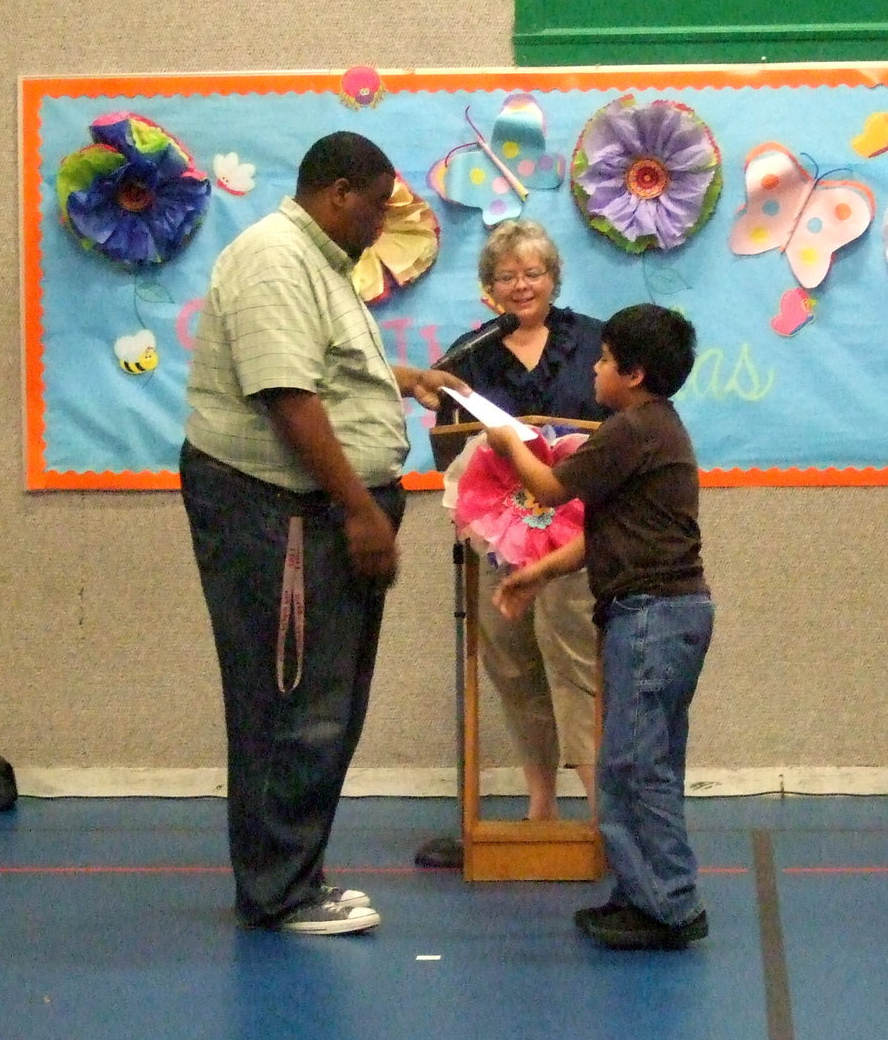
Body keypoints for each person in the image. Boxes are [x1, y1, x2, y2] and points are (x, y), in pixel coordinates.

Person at [180, 132, 466, 937]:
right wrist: (361, 510)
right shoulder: (276, 259)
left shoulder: (320, 263)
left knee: (323, 700)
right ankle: (279, 890)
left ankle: (293, 874)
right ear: (339, 192)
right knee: (292, 698)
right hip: (282, 512)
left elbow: (327, 370)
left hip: (310, 512)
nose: (382, 225)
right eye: (377, 207)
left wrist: (403, 380)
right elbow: (287, 396)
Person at [489, 304, 713, 950]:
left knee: (634, 765)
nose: (595, 366)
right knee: (640, 762)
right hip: (663, 615)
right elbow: (601, 535)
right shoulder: (650, 430)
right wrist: (538, 573)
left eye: (606, 359)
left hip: (653, 617)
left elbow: (552, 491)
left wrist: (506, 441)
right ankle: (643, 891)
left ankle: (669, 904)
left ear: (635, 374)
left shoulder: (630, 430)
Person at [436, 220, 607, 822]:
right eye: (506, 276)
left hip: (578, 533)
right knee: (511, 664)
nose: (521, 285)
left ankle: (601, 809)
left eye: (533, 273)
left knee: (575, 660)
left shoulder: (595, 342)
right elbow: (447, 444)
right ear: (489, 287)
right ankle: (540, 801)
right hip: (497, 536)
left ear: (554, 278)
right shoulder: (471, 352)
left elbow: (622, 425)